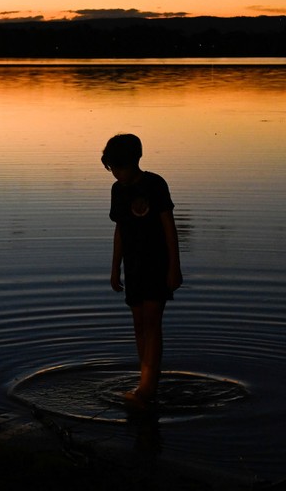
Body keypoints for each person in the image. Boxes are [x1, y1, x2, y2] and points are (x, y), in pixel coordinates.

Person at [102, 133, 182, 408]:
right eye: (112, 169)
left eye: (119, 167)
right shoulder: (117, 190)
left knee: (152, 324)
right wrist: (115, 269)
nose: (116, 174)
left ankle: (148, 388)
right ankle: (144, 379)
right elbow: (120, 230)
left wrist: (175, 268)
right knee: (138, 325)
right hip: (133, 266)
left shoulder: (155, 185)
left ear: (135, 160)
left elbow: (169, 228)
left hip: (156, 264)